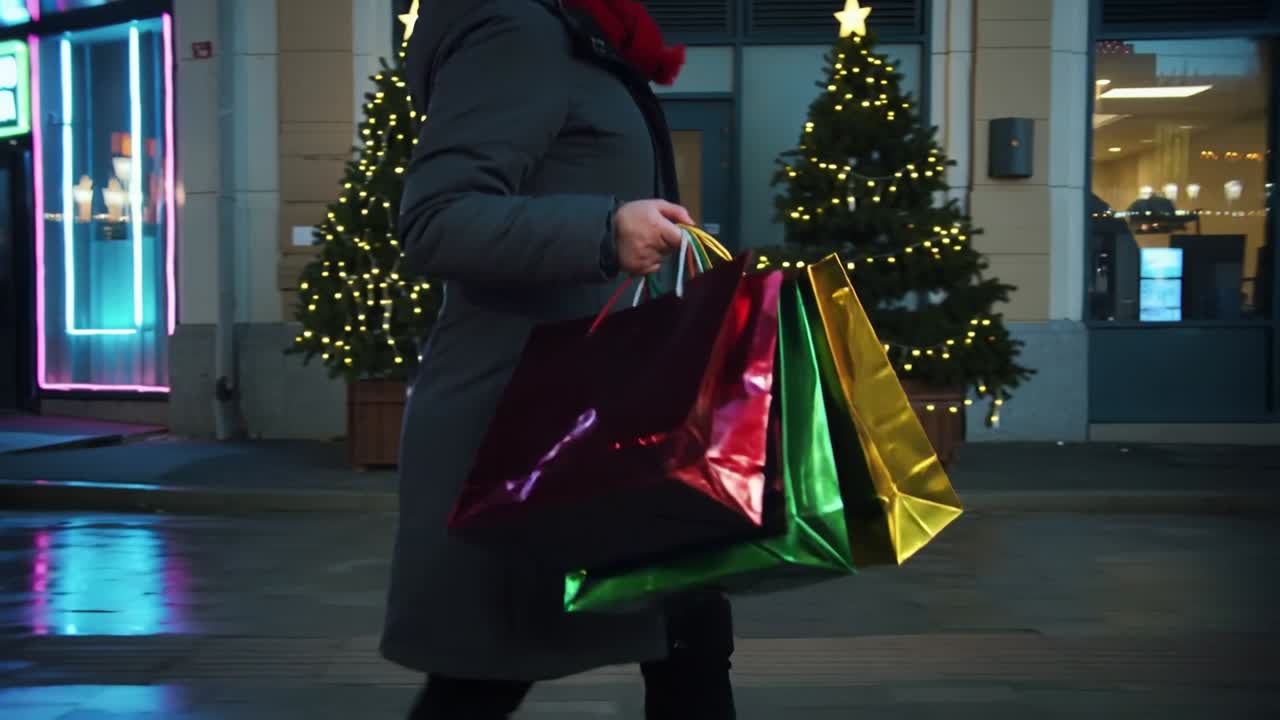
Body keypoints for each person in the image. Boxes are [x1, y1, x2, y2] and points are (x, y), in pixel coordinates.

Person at [382, 0, 738, 717]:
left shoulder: (584, 33)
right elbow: (435, 219)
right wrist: (603, 231)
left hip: (615, 418)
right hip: (531, 429)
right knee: (480, 675)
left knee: (693, 641)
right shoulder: (517, 27)